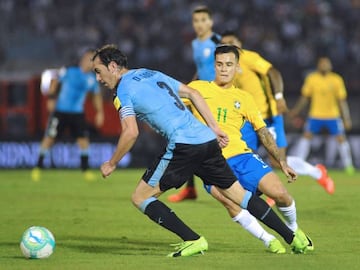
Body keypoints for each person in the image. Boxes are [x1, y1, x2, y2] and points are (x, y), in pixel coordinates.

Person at [92, 44, 309, 257]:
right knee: (240, 196)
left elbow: (130, 132)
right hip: (207, 140)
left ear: (113, 66)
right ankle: (293, 238)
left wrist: (112, 163)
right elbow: (193, 93)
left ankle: (193, 239)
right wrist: (214, 128)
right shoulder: (149, 73)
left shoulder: (122, 91)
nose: (98, 79)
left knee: (141, 197)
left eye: (98, 72)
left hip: (183, 145)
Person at [184, 44, 312, 254]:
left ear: (237, 68)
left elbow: (262, 131)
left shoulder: (244, 98)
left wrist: (281, 161)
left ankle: (294, 229)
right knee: (230, 204)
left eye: (228, 65)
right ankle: (268, 240)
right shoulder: (197, 88)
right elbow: (170, 105)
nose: (224, 69)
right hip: (211, 164)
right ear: (214, 66)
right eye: (219, 64)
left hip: (242, 157)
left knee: (281, 194)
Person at [220, 31, 335, 199]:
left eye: (231, 41)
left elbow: (273, 73)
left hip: (268, 116)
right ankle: (258, 192)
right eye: (224, 43)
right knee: (242, 154)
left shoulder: (249, 58)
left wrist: (279, 97)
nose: (228, 45)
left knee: (277, 160)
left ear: (239, 43)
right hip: (247, 119)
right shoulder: (229, 67)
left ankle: (317, 172)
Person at [168, 5, 221, 202]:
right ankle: (190, 188)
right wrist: (190, 89)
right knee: (188, 138)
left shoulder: (217, 41)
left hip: (216, 96)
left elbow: (230, 65)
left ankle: (255, 188)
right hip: (200, 95)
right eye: (196, 21)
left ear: (211, 22)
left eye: (203, 20)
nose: (199, 24)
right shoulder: (195, 44)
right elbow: (201, 69)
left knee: (226, 142)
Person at [31, 49, 104, 181]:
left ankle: (85, 170)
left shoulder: (91, 78)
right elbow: (55, 81)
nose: (93, 63)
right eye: (91, 60)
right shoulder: (70, 71)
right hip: (60, 111)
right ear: (84, 60)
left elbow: (96, 95)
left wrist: (100, 112)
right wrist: (52, 98)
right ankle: (38, 167)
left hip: (77, 113)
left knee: (83, 141)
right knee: (49, 138)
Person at [290, 57, 355, 175]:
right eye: (322, 63)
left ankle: (348, 166)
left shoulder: (336, 79)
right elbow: (305, 97)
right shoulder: (312, 78)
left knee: (341, 139)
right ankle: (299, 165)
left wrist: (346, 118)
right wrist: (296, 110)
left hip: (333, 115)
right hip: (315, 115)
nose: (324, 65)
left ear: (330, 65)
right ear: (318, 65)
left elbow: (342, 101)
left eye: (326, 63)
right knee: (306, 137)